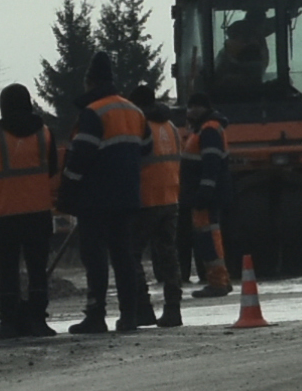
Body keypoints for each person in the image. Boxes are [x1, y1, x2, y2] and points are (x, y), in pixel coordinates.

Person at [58, 51, 149, 333]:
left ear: (90, 82)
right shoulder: (134, 111)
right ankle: (129, 315)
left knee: (95, 258)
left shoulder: (93, 112)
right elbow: (146, 150)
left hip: (95, 198)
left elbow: (81, 156)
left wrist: (67, 191)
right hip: (128, 195)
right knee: (123, 257)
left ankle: (96, 315)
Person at [0, 83, 60, 339]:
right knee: (37, 271)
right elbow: (51, 169)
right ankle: (38, 320)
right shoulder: (45, 134)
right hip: (38, 213)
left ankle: (8, 322)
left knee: (8, 272)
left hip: (4, 214)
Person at [132, 84, 185, 328]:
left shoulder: (140, 127)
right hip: (170, 198)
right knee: (169, 256)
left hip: (145, 199)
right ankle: (173, 309)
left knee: (131, 255)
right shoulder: (171, 127)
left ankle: (143, 308)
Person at [181, 88, 234, 299]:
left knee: (208, 239)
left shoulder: (209, 130)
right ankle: (222, 281)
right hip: (205, 193)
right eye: (189, 106)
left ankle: (218, 283)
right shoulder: (202, 129)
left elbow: (211, 164)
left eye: (194, 106)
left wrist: (205, 191)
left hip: (206, 196)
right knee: (209, 237)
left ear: (203, 108)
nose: (190, 110)